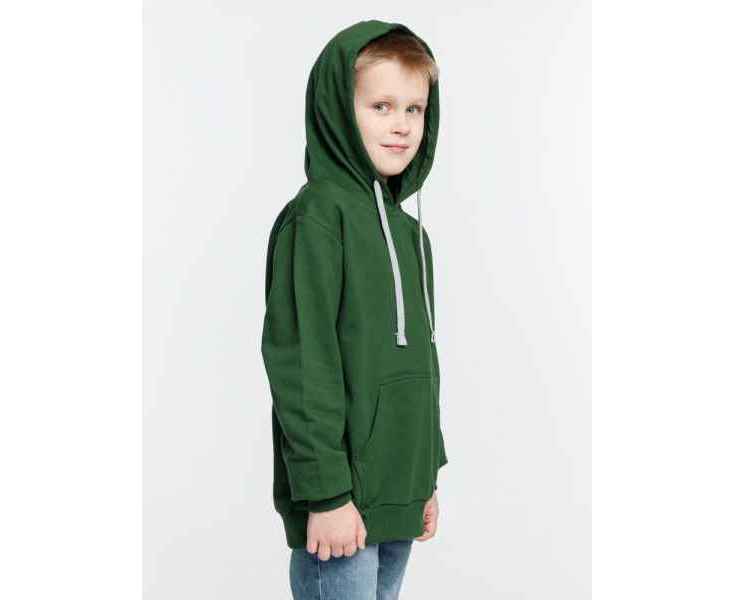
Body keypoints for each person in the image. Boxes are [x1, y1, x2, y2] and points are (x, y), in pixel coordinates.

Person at [260, 19, 448, 599]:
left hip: (398, 492)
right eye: (381, 106)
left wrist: (425, 476)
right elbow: (303, 363)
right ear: (340, 111)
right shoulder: (318, 217)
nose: (401, 125)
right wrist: (325, 494)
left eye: (415, 109)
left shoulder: (412, 235)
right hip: (340, 505)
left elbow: (420, 366)